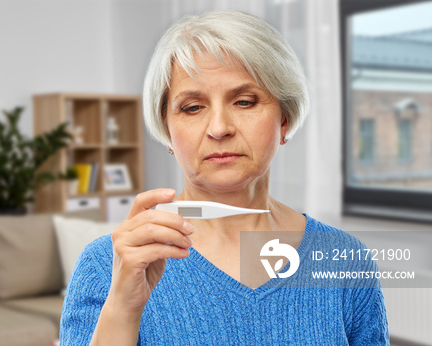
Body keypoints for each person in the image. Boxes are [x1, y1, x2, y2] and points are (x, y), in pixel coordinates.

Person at [60, 10, 388, 345]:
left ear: (284, 120)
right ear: (167, 131)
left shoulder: (344, 258)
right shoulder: (107, 266)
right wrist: (122, 309)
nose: (219, 128)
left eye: (245, 102)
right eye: (192, 107)